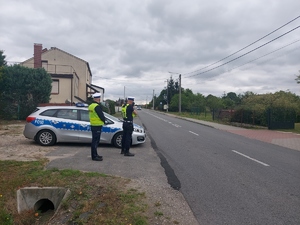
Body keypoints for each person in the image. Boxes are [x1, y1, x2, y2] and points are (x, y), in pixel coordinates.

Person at [88, 93, 106, 161]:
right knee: (95, 141)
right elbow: (101, 116)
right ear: (98, 99)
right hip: (97, 125)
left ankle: (95, 154)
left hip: (93, 125)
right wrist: (104, 121)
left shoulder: (90, 106)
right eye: (99, 98)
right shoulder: (97, 106)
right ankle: (94, 156)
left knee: (94, 141)